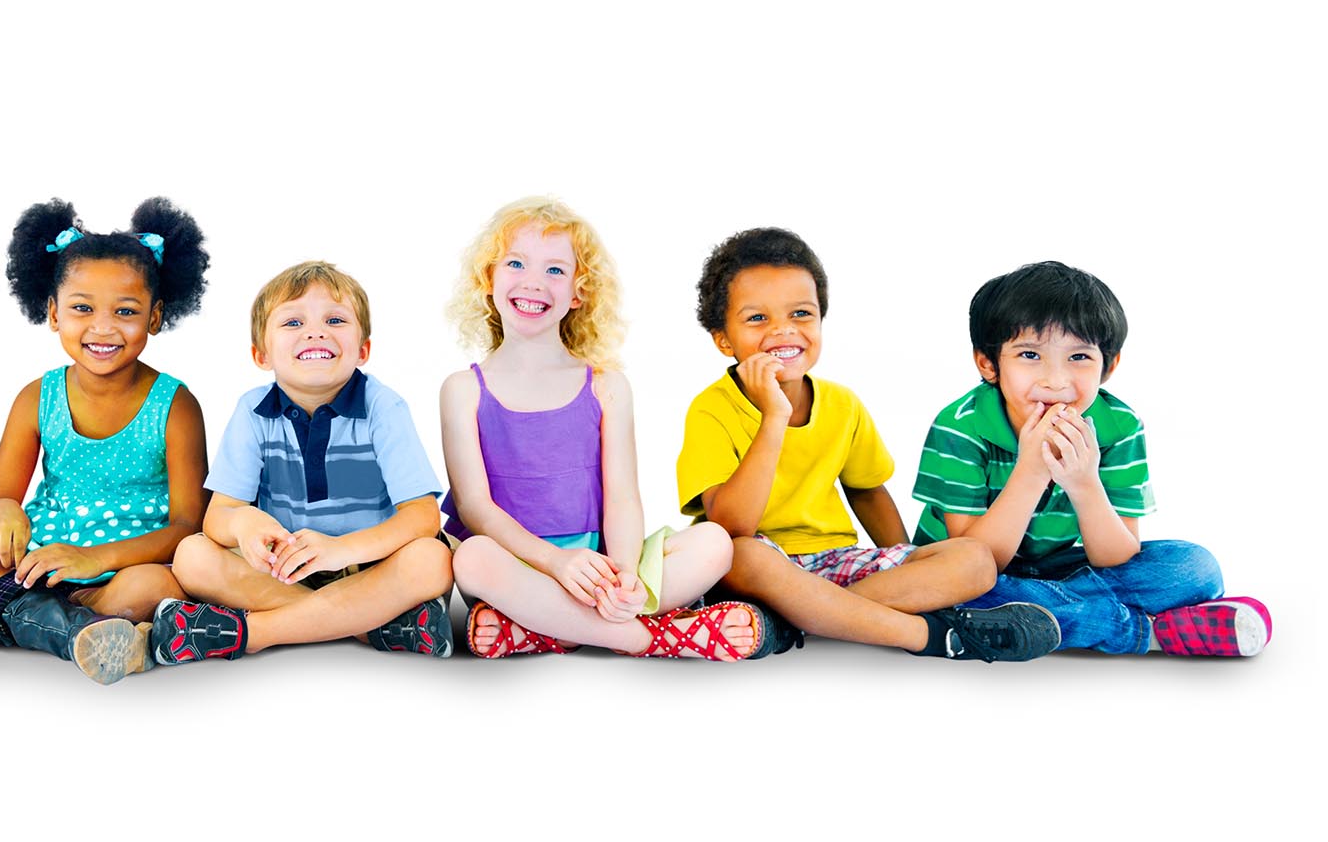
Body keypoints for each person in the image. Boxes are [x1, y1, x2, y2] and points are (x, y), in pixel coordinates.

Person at [679, 228, 1060, 662]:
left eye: (801, 313)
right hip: (760, 566)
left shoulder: (842, 404)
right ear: (723, 339)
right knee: (741, 554)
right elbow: (732, 526)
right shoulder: (710, 409)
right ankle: (925, 635)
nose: (783, 331)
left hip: (834, 563)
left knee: (974, 560)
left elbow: (867, 491)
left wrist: (908, 560)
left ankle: (803, 617)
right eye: (757, 319)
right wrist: (774, 417)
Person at [0, 198, 211, 685]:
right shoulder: (38, 397)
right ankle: (68, 633)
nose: (102, 327)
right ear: (53, 312)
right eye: (82, 308)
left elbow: (188, 527)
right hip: (37, 563)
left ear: (154, 316)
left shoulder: (176, 405)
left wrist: (95, 559)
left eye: (125, 311)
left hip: (123, 567)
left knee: (155, 586)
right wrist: (3, 510)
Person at [444, 197, 755, 660]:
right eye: (515, 263)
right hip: (518, 568)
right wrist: (556, 562)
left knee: (713, 543)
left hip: (599, 568)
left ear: (579, 291)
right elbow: (475, 509)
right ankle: (649, 638)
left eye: (555, 270)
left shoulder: (607, 386)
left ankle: (548, 631)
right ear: (488, 278)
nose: (533, 281)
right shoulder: (463, 389)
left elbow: (623, 496)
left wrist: (625, 575)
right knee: (470, 558)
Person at [912, 260, 1271, 656]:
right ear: (988, 363)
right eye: (1030, 355)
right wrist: (1030, 472)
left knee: (1195, 569)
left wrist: (1084, 484)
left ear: (1109, 366)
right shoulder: (960, 426)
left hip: (1065, 567)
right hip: (971, 573)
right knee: (951, 589)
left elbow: (1116, 556)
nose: (1057, 381)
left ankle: (1031, 616)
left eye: (1079, 357)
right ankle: (1140, 631)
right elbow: (975, 557)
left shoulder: (1118, 426)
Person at [154, 261, 454, 664]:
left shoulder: (383, 407)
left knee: (432, 559)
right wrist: (244, 524)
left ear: (363, 349)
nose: (316, 331)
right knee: (192, 556)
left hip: (367, 565)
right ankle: (372, 626)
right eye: (293, 323)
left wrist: (341, 550)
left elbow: (422, 517)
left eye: (335, 319)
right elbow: (218, 518)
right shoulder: (252, 412)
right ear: (261, 354)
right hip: (283, 570)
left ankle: (256, 632)